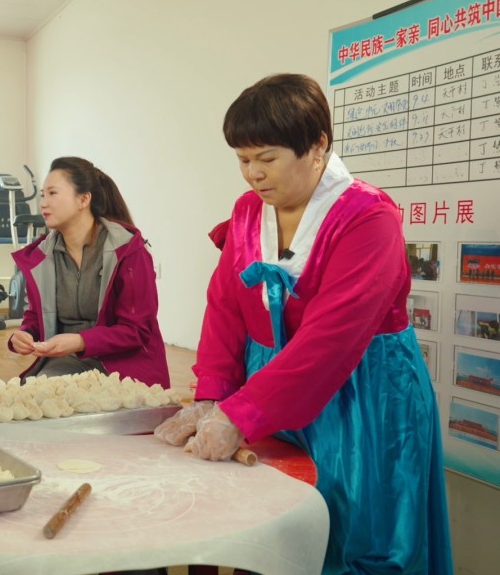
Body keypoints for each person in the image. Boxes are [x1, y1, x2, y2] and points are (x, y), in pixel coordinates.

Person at [154, 74, 452, 574]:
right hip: (272, 388)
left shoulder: (368, 218)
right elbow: (225, 307)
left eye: (266, 158)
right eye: (243, 160)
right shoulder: (249, 212)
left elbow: (332, 340)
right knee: (278, 529)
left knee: (362, 534)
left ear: (317, 146)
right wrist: (213, 394)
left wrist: (241, 414)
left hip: (363, 396)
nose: (253, 174)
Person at [7, 156, 170, 387]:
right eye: (43, 195)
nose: (43, 203)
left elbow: (137, 330)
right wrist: (25, 333)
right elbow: (34, 316)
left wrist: (80, 341)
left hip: (124, 364)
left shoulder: (129, 251)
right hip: (68, 360)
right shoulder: (42, 257)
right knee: (37, 393)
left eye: (53, 193)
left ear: (83, 199)